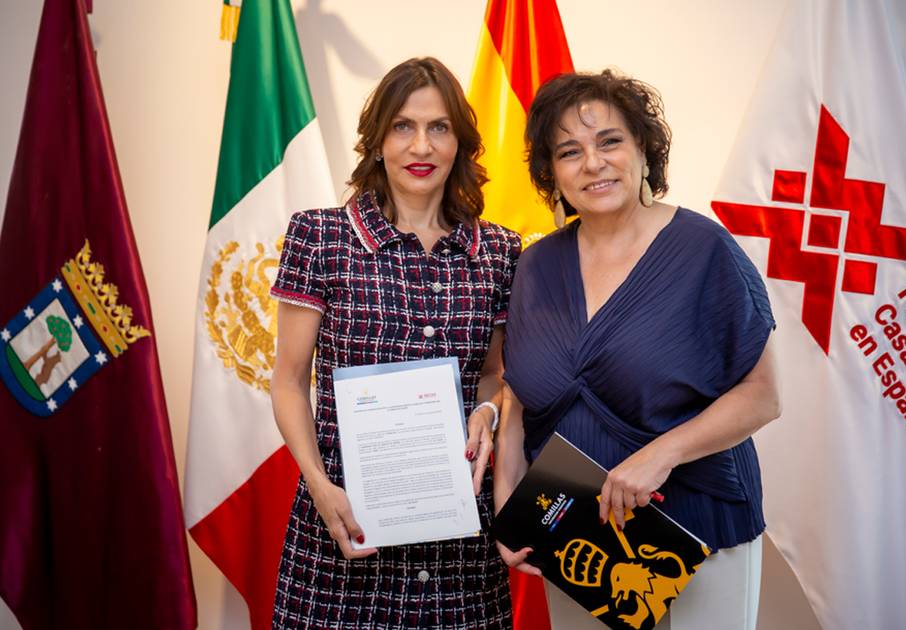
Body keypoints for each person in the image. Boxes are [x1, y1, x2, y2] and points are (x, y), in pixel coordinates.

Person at [493, 70, 780, 630]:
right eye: (569, 152)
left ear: (644, 150)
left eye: (610, 141)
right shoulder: (535, 265)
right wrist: (509, 502)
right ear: (551, 173)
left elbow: (763, 397)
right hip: (576, 532)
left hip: (695, 524)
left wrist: (659, 455)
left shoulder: (705, 250)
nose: (593, 163)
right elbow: (518, 396)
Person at [269, 57, 519, 629]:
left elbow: (494, 376)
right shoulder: (320, 237)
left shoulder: (502, 252)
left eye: (439, 128)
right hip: (343, 528)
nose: (421, 145)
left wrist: (486, 409)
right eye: (403, 126)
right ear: (378, 140)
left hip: (459, 547)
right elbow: (287, 381)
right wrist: (317, 483)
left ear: (460, 143)